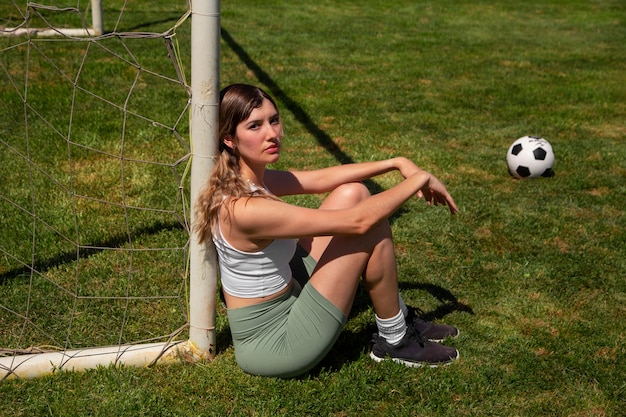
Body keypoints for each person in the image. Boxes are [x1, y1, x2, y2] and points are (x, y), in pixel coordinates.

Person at [194, 83, 460, 378]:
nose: (272, 133)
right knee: (369, 226)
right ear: (229, 139)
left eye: (274, 120)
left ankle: (398, 316)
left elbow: (322, 178)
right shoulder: (245, 209)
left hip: (290, 292)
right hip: (274, 343)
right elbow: (357, 223)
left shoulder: (240, 178)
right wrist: (419, 180)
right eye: (255, 126)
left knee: (353, 192)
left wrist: (396, 163)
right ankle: (395, 339)